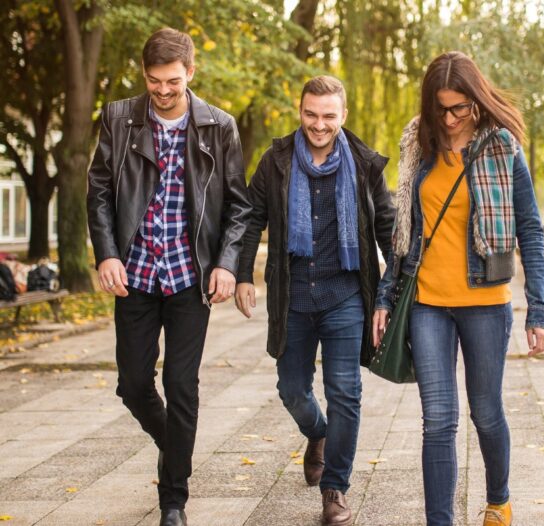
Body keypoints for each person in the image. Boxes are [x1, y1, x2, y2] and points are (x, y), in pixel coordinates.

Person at [372, 51, 544, 526]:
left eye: (459, 109)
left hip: (485, 304)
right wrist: (385, 296)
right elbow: (403, 233)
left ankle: (499, 498)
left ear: (476, 100)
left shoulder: (502, 147)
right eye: (441, 109)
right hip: (428, 304)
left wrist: (539, 311)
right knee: (438, 421)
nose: (449, 120)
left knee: (486, 414)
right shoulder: (419, 145)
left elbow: (530, 230)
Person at [87, 28, 251, 526]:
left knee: (182, 386)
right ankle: (175, 447)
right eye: (154, 81)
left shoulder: (219, 127)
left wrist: (226, 263)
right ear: (145, 75)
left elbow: (239, 206)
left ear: (191, 74)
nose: (163, 90)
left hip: (188, 277)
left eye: (173, 82)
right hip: (133, 275)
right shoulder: (118, 118)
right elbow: (97, 192)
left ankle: (173, 499)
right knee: (134, 385)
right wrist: (106, 254)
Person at [235, 76, 395, 526]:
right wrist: (243, 273)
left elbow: (386, 228)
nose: (318, 125)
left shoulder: (364, 164)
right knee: (291, 390)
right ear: (299, 110)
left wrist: (394, 290)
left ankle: (335, 489)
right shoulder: (276, 160)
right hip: (292, 294)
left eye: (328, 116)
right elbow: (251, 218)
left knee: (346, 393)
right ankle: (319, 435)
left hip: (345, 294)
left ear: (343, 116)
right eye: (311, 114)